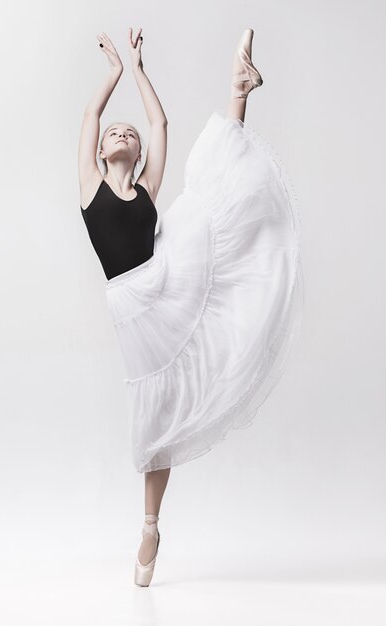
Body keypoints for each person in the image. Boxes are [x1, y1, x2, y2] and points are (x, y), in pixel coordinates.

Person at [78, 27, 304, 587]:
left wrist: (139, 68)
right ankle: (150, 527)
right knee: (156, 416)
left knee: (207, 202)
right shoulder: (90, 188)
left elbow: (159, 125)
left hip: (166, 273)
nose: (123, 132)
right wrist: (112, 75)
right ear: (104, 152)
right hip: (135, 309)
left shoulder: (149, 191)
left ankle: (238, 88)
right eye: (115, 133)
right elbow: (90, 120)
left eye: (126, 131)